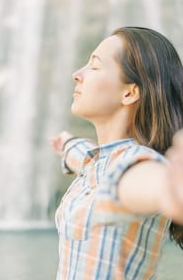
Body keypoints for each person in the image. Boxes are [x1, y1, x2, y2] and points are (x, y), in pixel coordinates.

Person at [50, 27, 183, 280]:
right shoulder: (95, 161)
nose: (77, 74)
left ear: (130, 93)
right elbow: (84, 157)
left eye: (95, 66)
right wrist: (67, 144)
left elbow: (148, 181)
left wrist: (172, 188)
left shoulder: (132, 164)